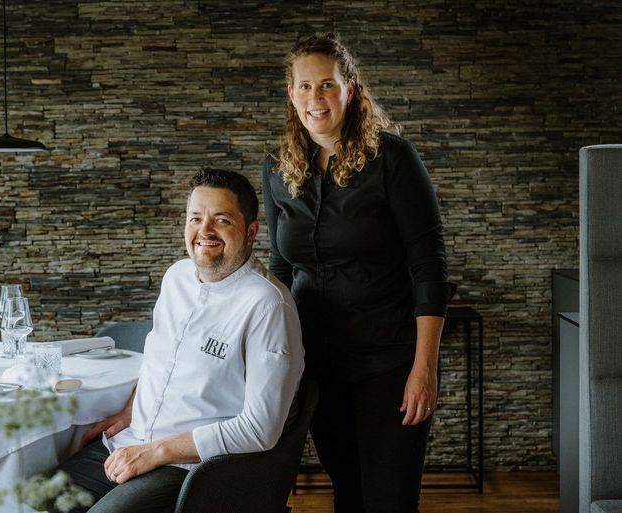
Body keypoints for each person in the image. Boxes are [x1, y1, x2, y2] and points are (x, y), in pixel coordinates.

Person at [262, 33, 456, 513]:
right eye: (304, 87)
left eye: (326, 85)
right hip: (317, 365)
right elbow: (280, 268)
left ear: (350, 88)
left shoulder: (392, 159)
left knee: (389, 499)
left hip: (388, 363)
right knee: (347, 493)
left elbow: (428, 265)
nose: (315, 98)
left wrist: (424, 369)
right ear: (291, 94)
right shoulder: (277, 170)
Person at [59, 169, 305, 513]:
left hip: (190, 468)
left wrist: (158, 451)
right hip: (129, 443)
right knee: (31, 500)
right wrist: (131, 408)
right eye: (195, 218)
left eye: (221, 220)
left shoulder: (267, 305)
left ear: (251, 232)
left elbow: (260, 428)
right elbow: (163, 361)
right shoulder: (175, 277)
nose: (205, 231)